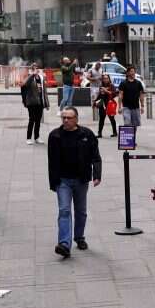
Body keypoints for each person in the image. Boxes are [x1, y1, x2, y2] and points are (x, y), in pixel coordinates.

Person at [48, 107, 102, 258]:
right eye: (63, 117)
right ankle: (64, 244)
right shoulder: (55, 136)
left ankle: (79, 237)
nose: (66, 120)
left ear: (76, 119)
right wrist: (53, 182)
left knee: (81, 211)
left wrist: (97, 175)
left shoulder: (87, 135)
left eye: (69, 118)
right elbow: (51, 162)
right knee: (64, 210)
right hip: (63, 181)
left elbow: (95, 156)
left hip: (81, 179)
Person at [20, 63, 49, 145]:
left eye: (37, 68)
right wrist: (32, 75)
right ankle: (28, 138)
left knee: (38, 120)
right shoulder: (29, 77)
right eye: (34, 68)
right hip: (31, 102)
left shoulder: (41, 78)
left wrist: (46, 103)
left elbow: (44, 91)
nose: (36, 69)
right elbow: (25, 84)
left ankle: (37, 137)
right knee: (31, 119)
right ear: (31, 69)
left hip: (40, 102)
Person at [94, 73, 118, 139]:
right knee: (101, 119)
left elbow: (114, 94)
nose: (105, 79)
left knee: (112, 119)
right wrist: (95, 102)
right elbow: (99, 95)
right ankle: (99, 133)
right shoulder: (101, 86)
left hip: (109, 104)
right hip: (102, 104)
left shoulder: (111, 86)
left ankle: (114, 132)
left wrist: (106, 91)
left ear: (109, 79)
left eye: (107, 78)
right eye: (104, 78)